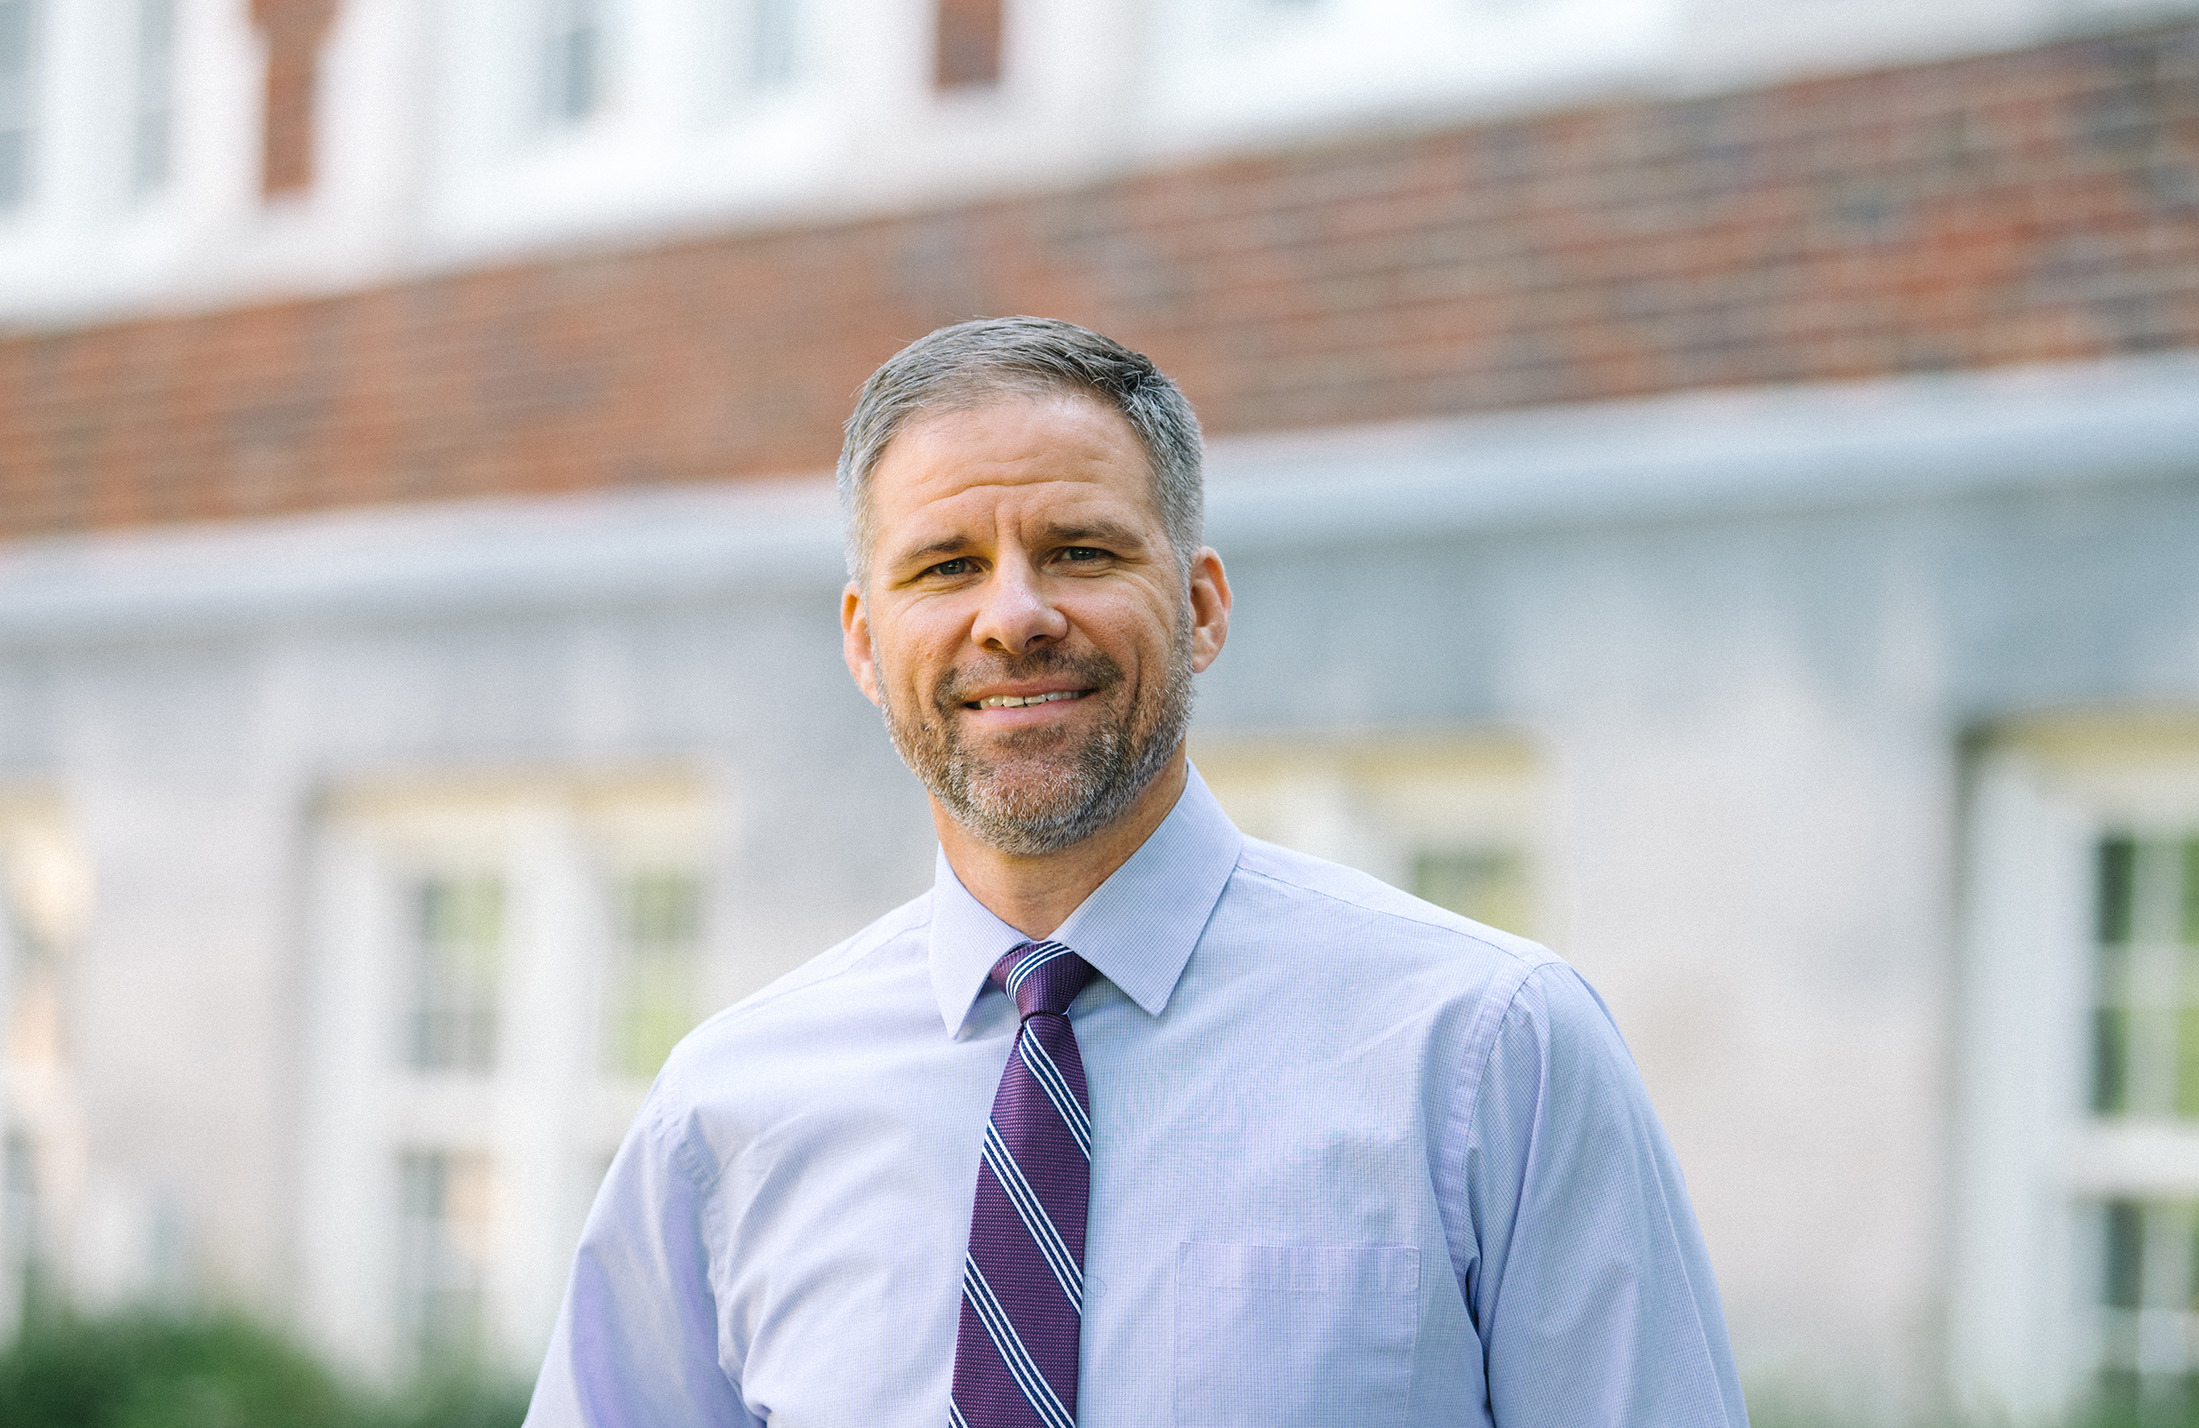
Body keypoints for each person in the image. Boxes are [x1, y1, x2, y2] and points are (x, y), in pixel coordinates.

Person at [524, 317, 1749, 1426]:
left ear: (1202, 607)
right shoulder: (726, 1110)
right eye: (945, 566)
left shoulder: (1487, 1052)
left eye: (1081, 552)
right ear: (862, 639)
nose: (1013, 615)